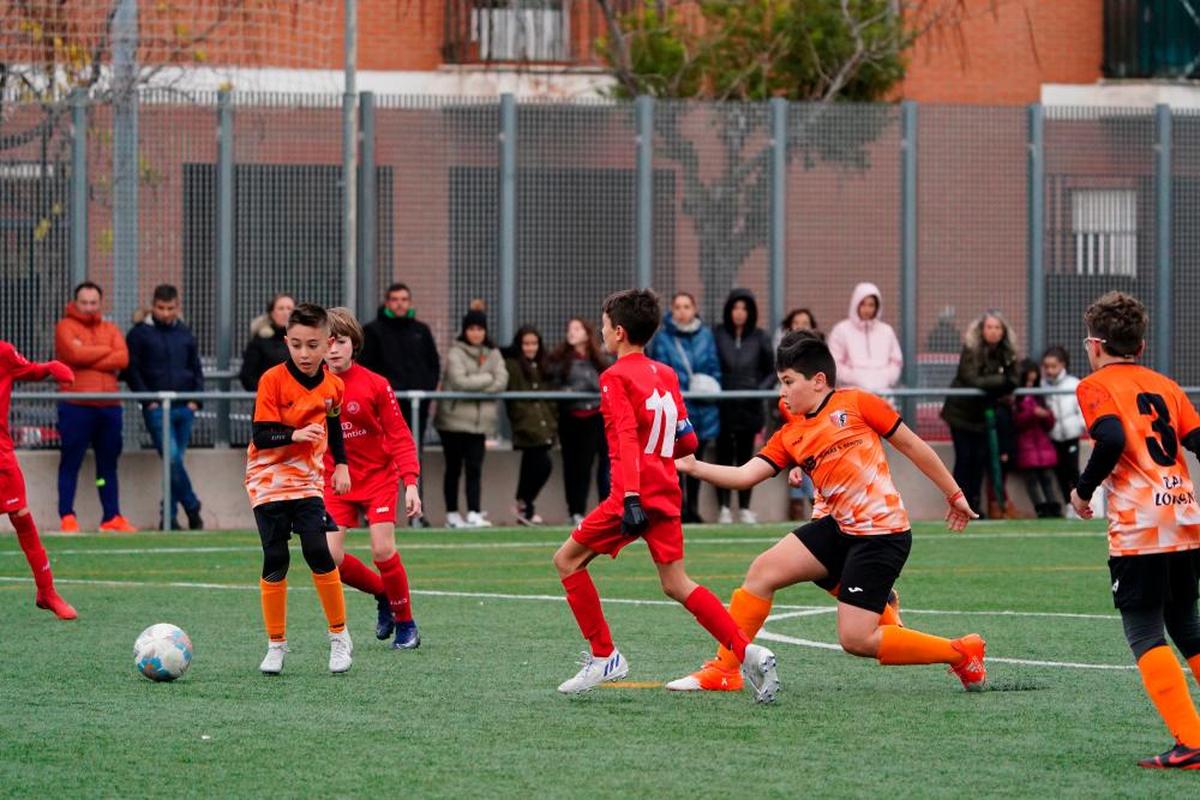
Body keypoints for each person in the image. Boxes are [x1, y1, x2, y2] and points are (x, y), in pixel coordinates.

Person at [670, 330, 986, 694]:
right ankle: (725, 670)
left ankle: (960, 652)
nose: (782, 392)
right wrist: (693, 467)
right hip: (839, 528)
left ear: (818, 381)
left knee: (855, 640)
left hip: (882, 537)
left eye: (788, 382)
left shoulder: (858, 404)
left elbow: (913, 446)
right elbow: (745, 476)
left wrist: (954, 493)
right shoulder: (790, 434)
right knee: (762, 572)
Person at [551, 288, 777, 701]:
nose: (601, 333)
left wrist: (631, 497)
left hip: (630, 495)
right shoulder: (666, 374)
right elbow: (688, 440)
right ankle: (748, 652)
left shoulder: (614, 377)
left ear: (619, 332)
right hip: (667, 492)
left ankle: (605, 656)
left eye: (603, 326)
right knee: (677, 583)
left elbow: (624, 438)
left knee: (565, 560)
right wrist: (658, 460)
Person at [1068, 291, 1200, 770]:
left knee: (1144, 630)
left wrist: (1083, 491)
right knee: (1186, 624)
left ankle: (1191, 742)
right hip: (1184, 514)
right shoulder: (1166, 385)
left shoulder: (1095, 386)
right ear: (1141, 348)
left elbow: (1111, 436)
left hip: (1142, 524)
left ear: (1097, 345)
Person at [244, 303, 352, 675]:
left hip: (307, 480)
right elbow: (260, 433)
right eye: (295, 345)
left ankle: (339, 637)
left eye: (312, 345)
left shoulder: (333, 386)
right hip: (267, 477)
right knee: (276, 558)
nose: (303, 354)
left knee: (317, 551)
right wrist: (294, 434)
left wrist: (341, 464)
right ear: (286, 342)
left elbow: (335, 426)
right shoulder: (272, 380)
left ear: (328, 344)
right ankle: (276, 645)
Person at [322, 308, 422, 650]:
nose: (333, 349)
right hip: (336, 481)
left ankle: (406, 623)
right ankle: (383, 594)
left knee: (382, 549)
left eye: (341, 341)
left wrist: (410, 482)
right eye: (327, 342)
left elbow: (399, 435)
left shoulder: (375, 385)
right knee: (328, 556)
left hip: (378, 477)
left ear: (355, 344)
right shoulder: (312, 385)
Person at [0, 341, 77, 620]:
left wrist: (49, 368)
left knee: (21, 516)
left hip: (1, 454)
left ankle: (47, 592)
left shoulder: (3, 352)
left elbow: (28, 371)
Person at [54, 281, 136, 533]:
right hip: (76, 405)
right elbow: (73, 356)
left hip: (109, 406)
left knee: (107, 464)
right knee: (71, 461)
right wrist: (105, 353)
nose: (89, 308)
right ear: (75, 303)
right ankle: (67, 515)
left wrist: (89, 353)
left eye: (93, 303)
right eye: (84, 302)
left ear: (100, 303)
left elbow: (122, 358)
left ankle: (111, 516)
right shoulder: (65, 327)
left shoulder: (110, 328)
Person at [124, 284, 205, 531]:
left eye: (171, 308)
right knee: (171, 459)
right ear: (153, 305)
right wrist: (147, 399)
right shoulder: (139, 334)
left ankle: (168, 518)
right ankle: (191, 505)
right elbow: (132, 370)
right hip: (157, 407)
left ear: (177, 307)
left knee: (175, 460)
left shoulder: (184, 332)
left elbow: (195, 367)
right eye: (161, 308)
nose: (166, 313)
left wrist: (195, 400)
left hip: (184, 406)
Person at [360, 283, 441, 529]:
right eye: (394, 299)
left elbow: (433, 366)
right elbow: (367, 368)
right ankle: (371, 512)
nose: (399, 304)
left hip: (416, 408)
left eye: (404, 299)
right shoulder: (372, 332)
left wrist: (423, 394)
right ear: (387, 301)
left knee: (412, 459)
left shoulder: (421, 331)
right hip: (382, 409)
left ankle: (416, 510)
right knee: (378, 459)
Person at [646, 291, 721, 523]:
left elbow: (713, 365)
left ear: (694, 308)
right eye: (677, 306)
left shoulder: (706, 336)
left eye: (687, 306)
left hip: (702, 408)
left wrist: (708, 385)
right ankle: (677, 508)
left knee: (695, 463)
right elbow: (659, 371)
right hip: (674, 407)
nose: (682, 311)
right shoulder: (663, 338)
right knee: (673, 463)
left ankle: (694, 508)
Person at [940, 310, 1018, 517]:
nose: (993, 332)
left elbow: (1015, 379)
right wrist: (1000, 382)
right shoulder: (971, 348)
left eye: (997, 327)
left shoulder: (1006, 352)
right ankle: (958, 506)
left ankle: (974, 507)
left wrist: (997, 383)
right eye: (989, 327)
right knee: (964, 460)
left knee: (979, 462)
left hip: (983, 415)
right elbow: (972, 379)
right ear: (982, 330)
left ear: (1003, 331)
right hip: (961, 413)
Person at [434, 308, 507, 529]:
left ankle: (474, 512)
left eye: (480, 329)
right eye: (472, 328)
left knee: (475, 468)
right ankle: (452, 514)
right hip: (453, 422)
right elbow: (459, 382)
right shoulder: (456, 352)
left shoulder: (493, 353)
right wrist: (488, 380)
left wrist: (478, 382)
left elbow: (502, 380)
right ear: (465, 331)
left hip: (479, 423)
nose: (476, 333)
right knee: (454, 468)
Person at [713, 289, 775, 525]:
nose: (739, 313)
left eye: (744, 309)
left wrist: (757, 390)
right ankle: (724, 508)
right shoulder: (718, 334)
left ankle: (745, 508)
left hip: (749, 408)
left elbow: (771, 370)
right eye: (735, 308)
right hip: (723, 406)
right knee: (723, 457)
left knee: (746, 458)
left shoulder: (760, 337)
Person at [548, 318, 611, 526]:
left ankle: (607, 510)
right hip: (570, 418)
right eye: (569, 329)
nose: (571, 332)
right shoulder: (560, 359)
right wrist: (579, 389)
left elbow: (602, 383)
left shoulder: (598, 358)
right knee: (573, 466)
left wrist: (585, 384)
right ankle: (575, 511)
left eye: (577, 329)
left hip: (594, 417)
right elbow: (555, 385)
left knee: (596, 465)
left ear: (587, 333)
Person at [504, 326, 558, 526]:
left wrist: (551, 417)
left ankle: (524, 506)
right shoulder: (513, 365)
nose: (530, 348)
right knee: (542, 464)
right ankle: (524, 505)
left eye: (534, 343)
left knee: (532, 465)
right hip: (526, 424)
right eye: (526, 344)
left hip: (544, 423)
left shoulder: (543, 364)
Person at [777, 308, 820, 520]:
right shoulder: (786, 404)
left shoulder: (844, 402)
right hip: (802, 442)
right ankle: (807, 506)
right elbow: (745, 475)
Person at [827, 282, 902, 393]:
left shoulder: (887, 331)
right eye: (863, 304)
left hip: (883, 393)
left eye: (871, 305)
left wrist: (887, 377)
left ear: (877, 307)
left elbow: (896, 360)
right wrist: (854, 377)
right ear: (855, 304)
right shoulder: (841, 330)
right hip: (851, 393)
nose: (867, 309)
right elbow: (834, 361)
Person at [1042, 345, 1085, 517]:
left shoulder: (1073, 384)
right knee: (1059, 471)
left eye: (1054, 366)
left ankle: (1081, 504)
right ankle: (1068, 504)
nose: (1050, 370)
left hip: (1071, 435)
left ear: (1063, 365)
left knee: (1073, 470)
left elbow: (1082, 408)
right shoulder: (1043, 385)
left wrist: (1081, 426)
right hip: (1054, 436)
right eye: (1047, 367)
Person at [1013, 358, 1059, 518]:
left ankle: (1053, 505)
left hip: (1042, 444)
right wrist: (1031, 413)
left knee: (1047, 477)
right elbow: (1016, 422)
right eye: (1027, 381)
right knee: (1031, 480)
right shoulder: (1017, 398)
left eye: (1033, 381)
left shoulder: (1039, 396)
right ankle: (1040, 507)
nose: (1030, 385)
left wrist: (1046, 415)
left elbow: (1050, 423)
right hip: (1026, 445)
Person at [238, 293, 294, 391]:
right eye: (281, 308)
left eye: (289, 308)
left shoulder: (305, 340)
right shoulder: (260, 341)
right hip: (269, 402)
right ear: (272, 313)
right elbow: (247, 375)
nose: (286, 312)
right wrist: (267, 393)